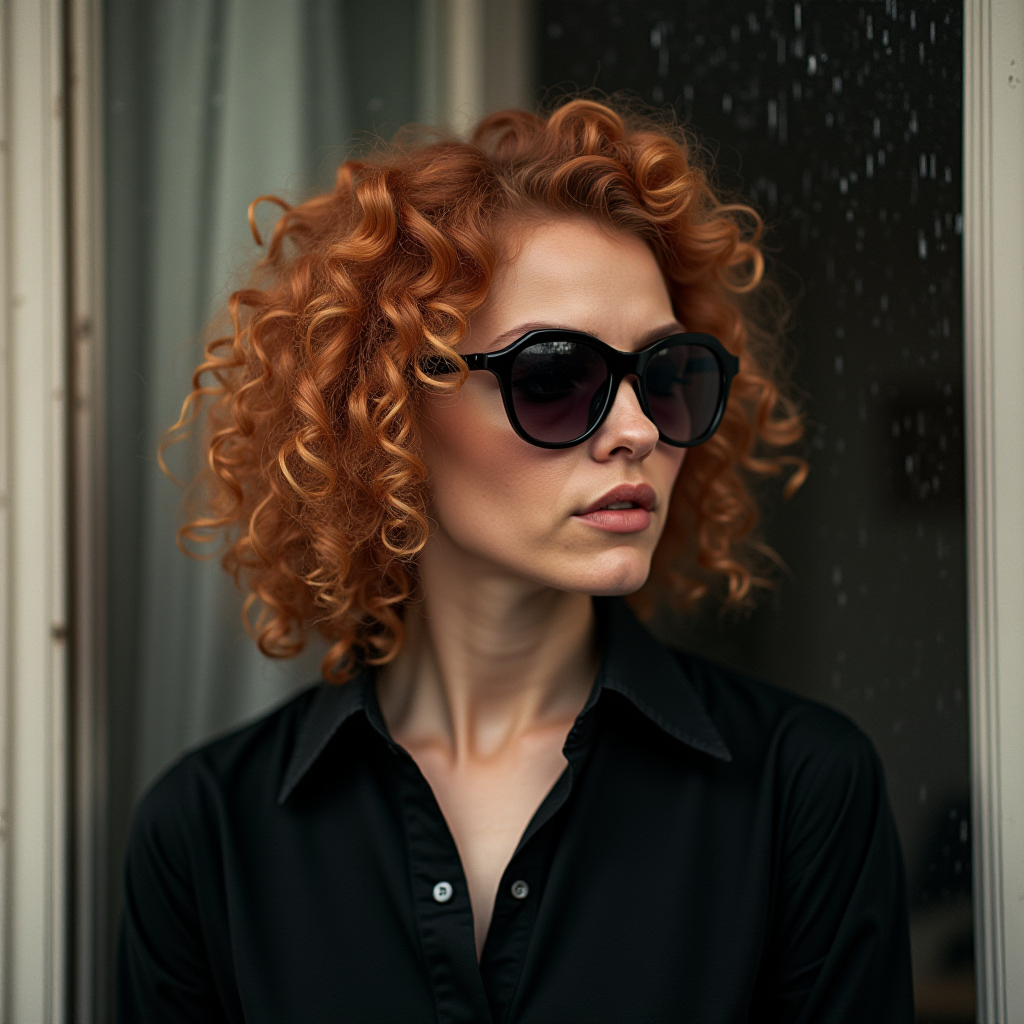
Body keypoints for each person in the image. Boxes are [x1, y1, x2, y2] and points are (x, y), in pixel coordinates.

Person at [118, 99, 913, 1022]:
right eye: (553, 376)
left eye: (667, 377)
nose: (637, 430)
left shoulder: (801, 790)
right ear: (385, 408)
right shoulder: (206, 833)